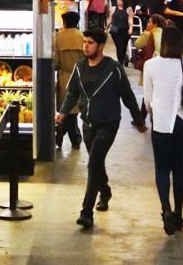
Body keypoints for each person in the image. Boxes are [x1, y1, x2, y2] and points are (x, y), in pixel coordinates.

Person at [57, 29, 147, 229]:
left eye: (90, 43)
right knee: (96, 163)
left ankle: (86, 212)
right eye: (84, 42)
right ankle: (104, 191)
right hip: (88, 123)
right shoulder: (79, 68)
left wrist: (139, 120)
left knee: (93, 163)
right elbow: (72, 92)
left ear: (100, 46)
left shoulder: (113, 69)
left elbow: (128, 95)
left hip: (109, 123)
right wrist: (63, 112)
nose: (85, 46)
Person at [143, 26, 183, 235]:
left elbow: (148, 100)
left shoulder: (150, 65)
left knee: (162, 169)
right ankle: (178, 213)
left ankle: (166, 210)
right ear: (182, 42)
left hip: (161, 124)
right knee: (179, 169)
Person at [54, 11, 86, 150]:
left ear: (65, 22)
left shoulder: (58, 38)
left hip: (64, 77)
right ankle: (73, 137)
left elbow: (55, 62)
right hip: (80, 77)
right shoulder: (82, 37)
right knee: (72, 111)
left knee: (66, 109)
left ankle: (64, 134)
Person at [108, 0, 133, 66]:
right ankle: (120, 63)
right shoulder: (113, 9)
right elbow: (110, 19)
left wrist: (131, 28)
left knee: (124, 46)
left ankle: (123, 58)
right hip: (116, 31)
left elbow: (130, 19)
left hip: (125, 30)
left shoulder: (128, 9)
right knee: (119, 46)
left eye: (120, 0)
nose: (118, 1)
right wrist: (107, 27)